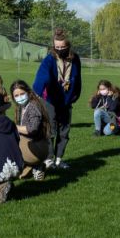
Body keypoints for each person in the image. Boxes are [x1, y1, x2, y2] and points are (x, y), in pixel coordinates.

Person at [32, 28, 82, 170]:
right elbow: (42, 76)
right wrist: (39, 89)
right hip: (50, 99)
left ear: (68, 46)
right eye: (57, 47)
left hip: (66, 100)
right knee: (50, 130)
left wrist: (75, 95)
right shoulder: (49, 59)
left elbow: (77, 78)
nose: (60, 50)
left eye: (62, 47)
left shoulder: (75, 59)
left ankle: (59, 159)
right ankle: (49, 159)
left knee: (64, 131)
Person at [10, 80, 51, 181]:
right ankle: (31, 167)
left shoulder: (33, 106)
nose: (20, 97)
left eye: (22, 94)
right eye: (16, 95)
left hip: (37, 147)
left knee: (8, 141)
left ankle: (35, 165)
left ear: (28, 92)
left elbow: (32, 128)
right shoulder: (21, 107)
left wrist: (13, 127)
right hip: (30, 144)